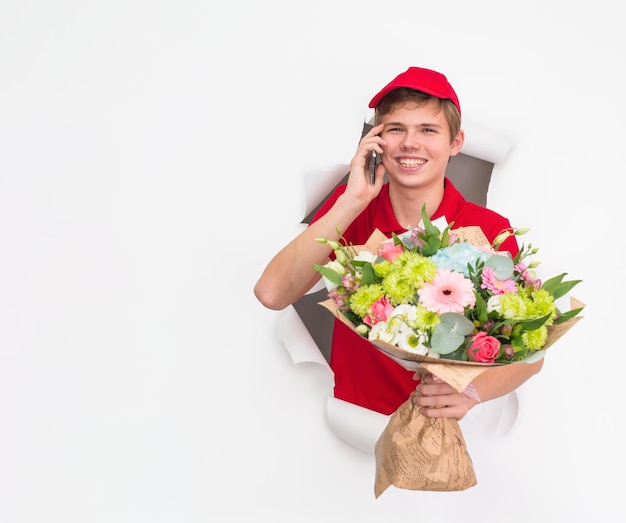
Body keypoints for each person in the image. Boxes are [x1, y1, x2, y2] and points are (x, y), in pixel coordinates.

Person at [254, 66, 543, 417]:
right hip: (350, 419)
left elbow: (531, 353)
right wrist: (352, 199)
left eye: (428, 129)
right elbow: (272, 293)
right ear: (376, 139)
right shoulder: (351, 210)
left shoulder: (488, 229)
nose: (410, 142)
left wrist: (469, 394)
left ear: (455, 143)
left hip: (439, 431)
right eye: (395, 129)